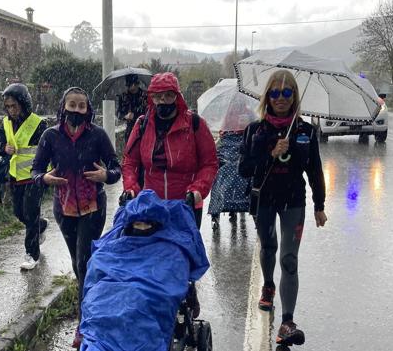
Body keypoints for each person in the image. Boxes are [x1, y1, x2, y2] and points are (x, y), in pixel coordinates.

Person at [238, 69, 328, 347]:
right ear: (267, 96)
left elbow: (315, 170)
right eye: (275, 93)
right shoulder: (255, 130)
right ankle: (268, 285)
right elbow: (244, 169)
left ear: (294, 97)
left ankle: (287, 322)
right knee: (268, 248)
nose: (280, 98)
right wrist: (270, 153)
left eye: (287, 93)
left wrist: (319, 205)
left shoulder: (306, 131)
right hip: (264, 200)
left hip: (294, 203)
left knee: (289, 260)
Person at [31, 86, 121, 349]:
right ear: (63, 107)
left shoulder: (98, 136)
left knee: (83, 263)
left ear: (88, 110)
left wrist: (106, 176)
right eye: (72, 105)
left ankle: (84, 325)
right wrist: (45, 178)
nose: (77, 110)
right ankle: (92, 299)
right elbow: (36, 170)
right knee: (77, 262)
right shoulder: (51, 137)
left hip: (93, 208)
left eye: (82, 106)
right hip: (64, 209)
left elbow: (116, 167)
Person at [79, 190, 209, 351]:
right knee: (99, 311)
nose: (142, 228)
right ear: (129, 224)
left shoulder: (173, 248)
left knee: (139, 311)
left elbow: (170, 278)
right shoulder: (113, 246)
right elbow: (95, 271)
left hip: (146, 297)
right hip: (109, 294)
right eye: (137, 224)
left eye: (146, 224)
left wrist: (197, 190)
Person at [121, 72, 218, 229]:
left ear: (177, 96)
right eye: (157, 96)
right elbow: (130, 161)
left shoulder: (195, 124)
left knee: (184, 251)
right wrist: (131, 187)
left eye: (168, 95)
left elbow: (209, 163)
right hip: (151, 207)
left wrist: (197, 190)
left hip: (186, 206)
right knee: (154, 252)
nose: (162, 101)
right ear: (151, 98)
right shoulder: (142, 125)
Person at [0, 83, 48, 271]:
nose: (11, 110)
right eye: (7, 106)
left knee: (30, 214)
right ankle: (41, 225)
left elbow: (49, 149)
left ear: (23, 103)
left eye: (14, 105)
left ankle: (32, 254)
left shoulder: (39, 124)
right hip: (15, 176)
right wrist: (2, 145)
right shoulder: (6, 123)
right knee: (19, 213)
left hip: (35, 177)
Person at [208, 129, 251, 229]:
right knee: (223, 170)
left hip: (241, 143)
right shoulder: (226, 127)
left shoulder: (249, 130)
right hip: (228, 145)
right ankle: (217, 211)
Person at [116, 73, 148, 143]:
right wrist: (125, 116)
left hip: (143, 128)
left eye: (135, 84)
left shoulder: (145, 95)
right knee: (129, 151)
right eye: (130, 84)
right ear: (127, 85)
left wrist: (136, 114)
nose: (133, 87)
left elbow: (148, 112)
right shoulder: (123, 96)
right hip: (130, 130)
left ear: (137, 84)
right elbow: (118, 113)